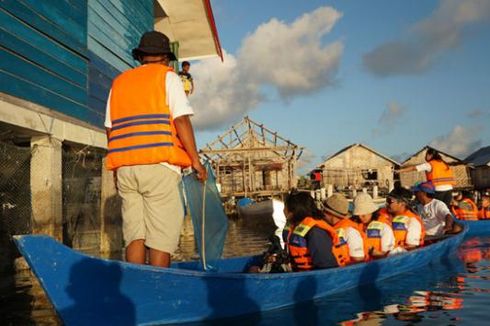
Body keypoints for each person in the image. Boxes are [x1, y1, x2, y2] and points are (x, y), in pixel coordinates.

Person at [104, 31, 206, 268]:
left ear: (140, 57)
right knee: (160, 237)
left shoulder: (119, 82)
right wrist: (195, 161)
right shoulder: (168, 78)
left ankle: (137, 287)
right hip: (159, 166)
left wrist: (116, 169)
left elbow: (110, 129)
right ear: (166, 59)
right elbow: (181, 121)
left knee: (135, 234)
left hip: (126, 170)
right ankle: (158, 290)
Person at [283, 191, 343, 271]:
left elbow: (326, 265)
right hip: (298, 274)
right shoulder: (296, 227)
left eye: (285, 207)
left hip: (316, 277)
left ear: (292, 212)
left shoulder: (315, 232)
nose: (283, 210)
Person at [323, 193, 367, 263]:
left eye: (324, 211)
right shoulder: (329, 229)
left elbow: (358, 259)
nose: (323, 214)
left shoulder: (350, 232)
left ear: (331, 214)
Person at [353, 193, 395, 259]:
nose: (361, 217)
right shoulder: (354, 228)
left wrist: (374, 252)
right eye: (359, 214)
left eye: (364, 213)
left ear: (372, 211)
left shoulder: (384, 228)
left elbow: (389, 256)